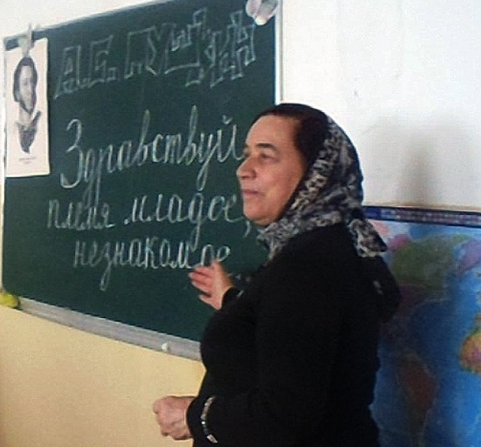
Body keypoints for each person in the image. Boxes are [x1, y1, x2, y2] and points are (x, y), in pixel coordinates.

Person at [153, 103, 401, 446]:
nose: (244, 170)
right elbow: (292, 339)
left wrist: (194, 417)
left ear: (316, 174)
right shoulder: (319, 248)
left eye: (266, 156)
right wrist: (234, 302)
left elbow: (284, 416)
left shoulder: (309, 265)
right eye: (247, 155)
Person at [12, 56, 41, 153]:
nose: (30, 90)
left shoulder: (40, 123)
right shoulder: (13, 131)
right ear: (17, 92)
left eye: (32, 82)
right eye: (25, 84)